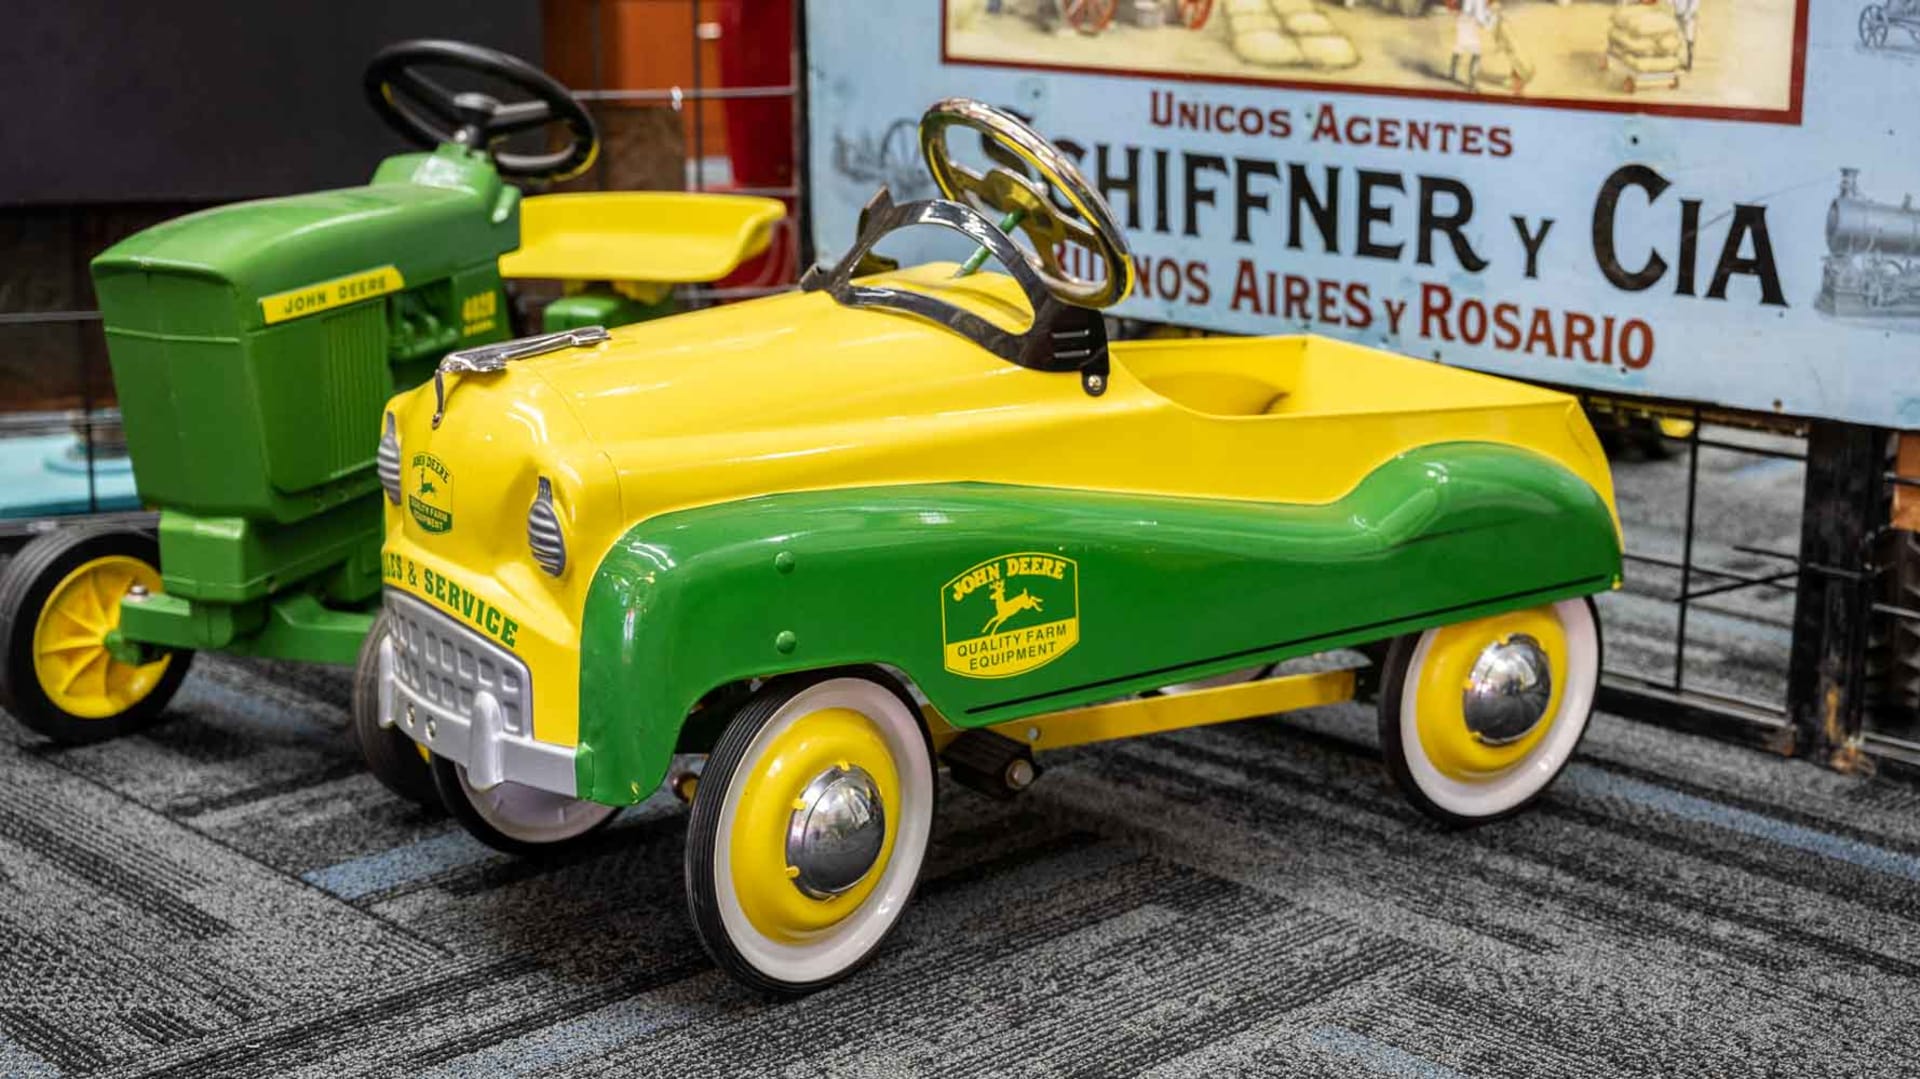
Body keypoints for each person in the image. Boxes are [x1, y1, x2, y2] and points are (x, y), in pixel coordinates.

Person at [1450, 0, 1500, 88]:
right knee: (1476, 53)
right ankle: (1471, 82)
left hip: (1463, 19)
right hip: (1470, 22)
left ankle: (1452, 73)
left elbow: (1480, 11)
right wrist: (1493, 18)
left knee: (1460, 46)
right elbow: (1480, 18)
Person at [1671, 0, 1700, 70]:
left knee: (1689, 37)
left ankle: (1689, 60)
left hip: (1689, 16)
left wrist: (1689, 14)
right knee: (1678, 37)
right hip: (1678, 14)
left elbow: (1695, 2)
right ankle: (1677, 60)